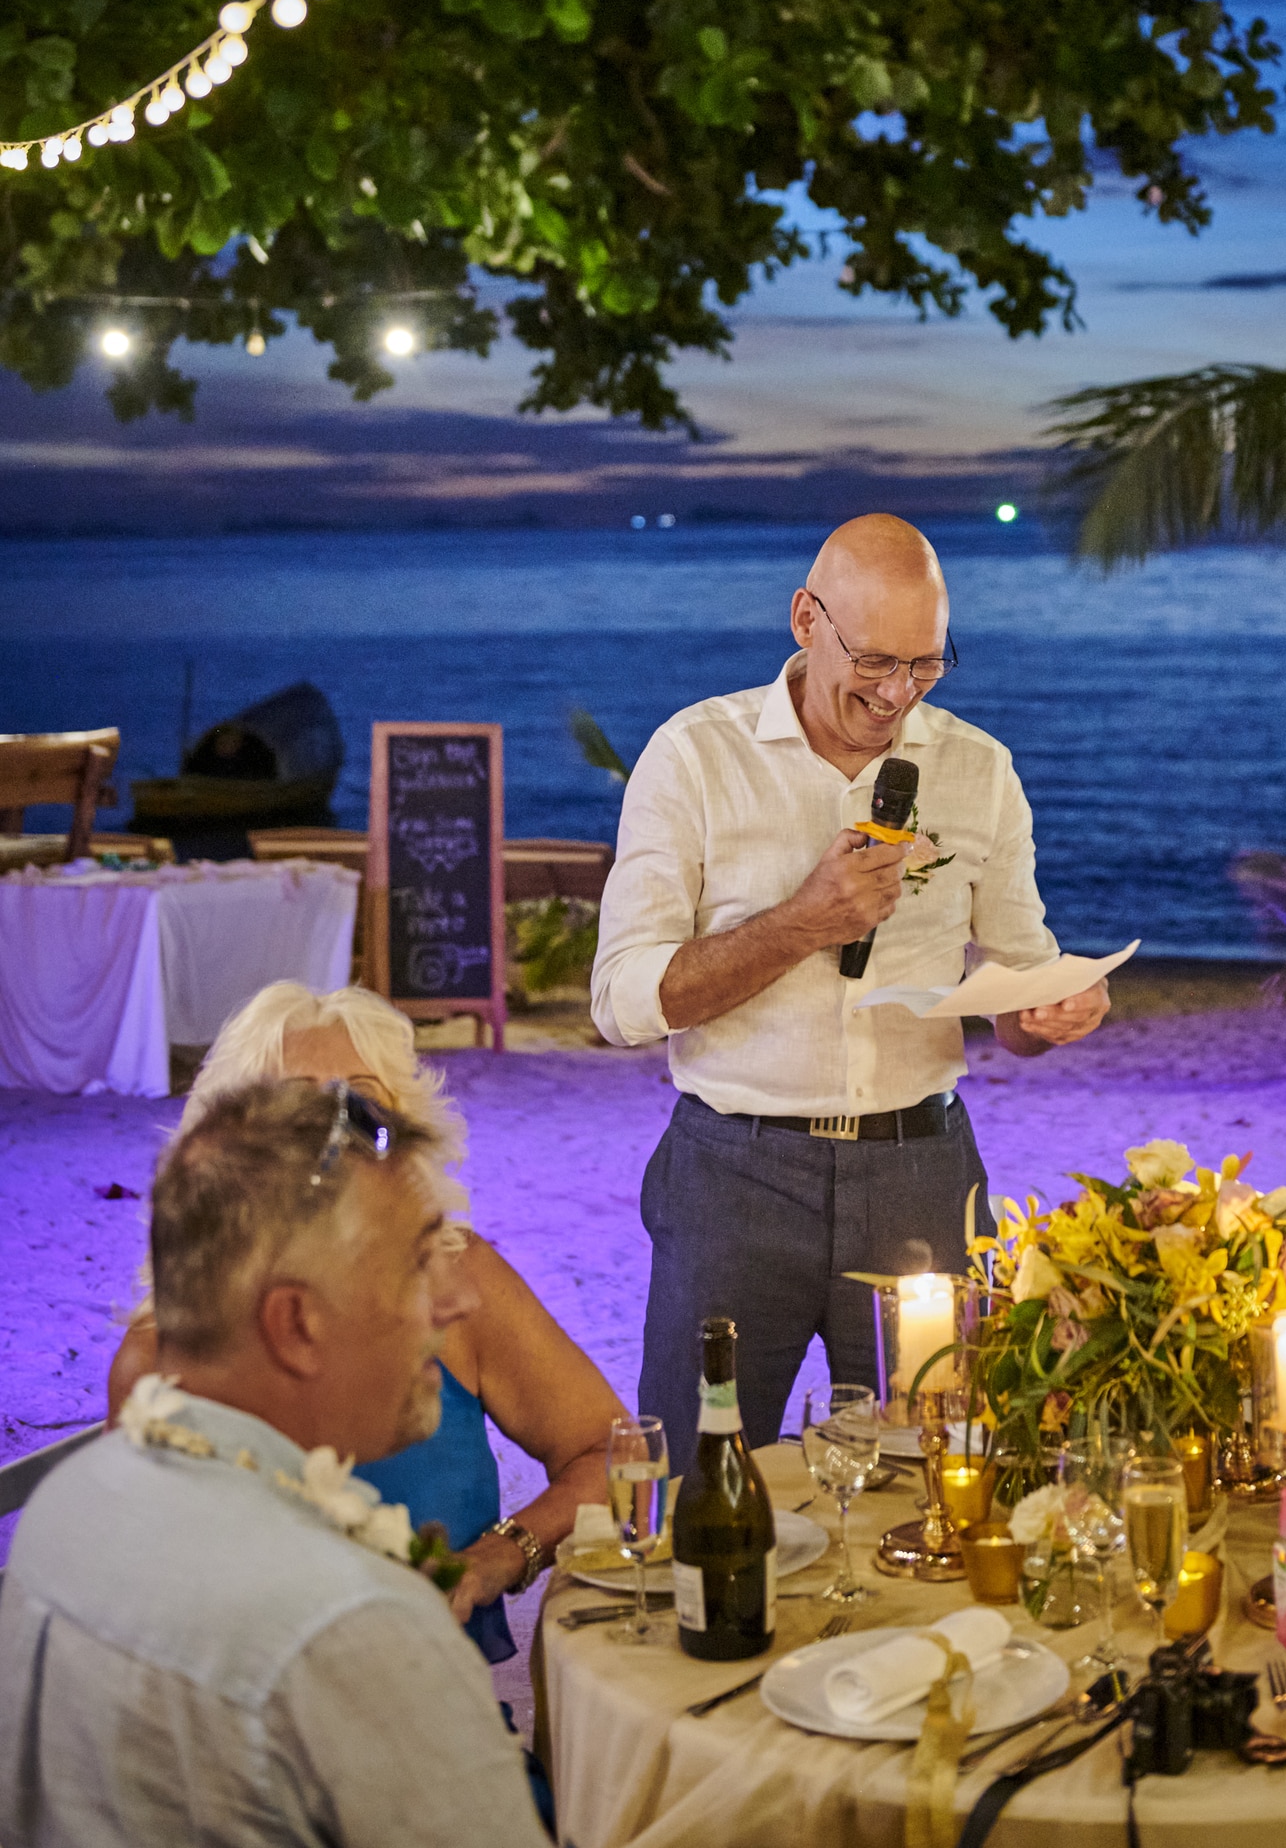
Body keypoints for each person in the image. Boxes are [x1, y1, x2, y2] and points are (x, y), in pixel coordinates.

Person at [592, 511, 1109, 1464]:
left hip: (922, 1175)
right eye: (872, 661)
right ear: (804, 620)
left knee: (943, 1473)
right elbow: (623, 1001)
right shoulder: (696, 756)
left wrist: (1048, 1011)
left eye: (924, 664)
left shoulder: (977, 767)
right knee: (704, 1479)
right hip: (732, 1177)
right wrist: (802, 922)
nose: (894, 693)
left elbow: (1017, 985)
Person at [0, 1080, 547, 1847]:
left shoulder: (67, 1505)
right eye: (420, 1261)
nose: (456, 1299)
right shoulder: (355, 1626)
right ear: (295, 1324)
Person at [108, 979, 625, 1662]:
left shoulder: (460, 1283)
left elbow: (616, 1453)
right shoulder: (166, 1357)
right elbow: (151, 1613)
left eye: (363, 1103)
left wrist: (504, 1554)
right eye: (298, 1104)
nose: (335, 1131)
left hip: (443, 1716)